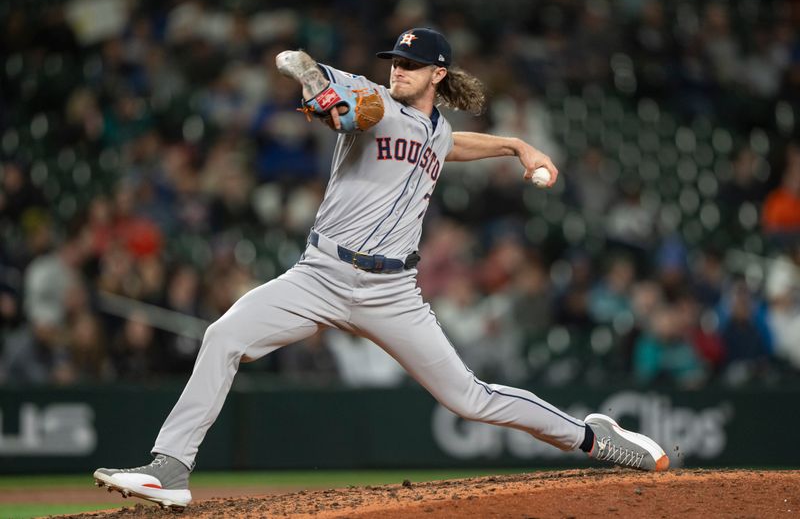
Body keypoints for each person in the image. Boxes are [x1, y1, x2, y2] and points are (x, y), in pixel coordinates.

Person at [93, 28, 669, 510]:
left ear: (437, 74)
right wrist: (315, 81)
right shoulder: (370, 96)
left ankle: (596, 439)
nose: (399, 70)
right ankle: (170, 468)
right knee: (224, 336)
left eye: (412, 64)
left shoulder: (436, 131)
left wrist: (516, 145)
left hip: (391, 291)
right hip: (318, 276)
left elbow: (452, 142)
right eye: (396, 60)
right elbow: (345, 107)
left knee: (470, 399)